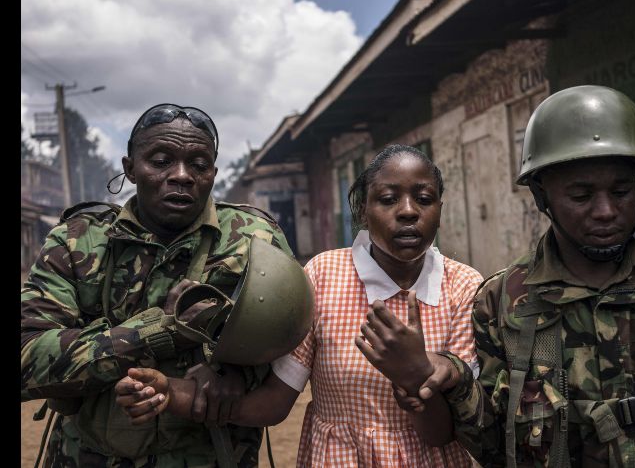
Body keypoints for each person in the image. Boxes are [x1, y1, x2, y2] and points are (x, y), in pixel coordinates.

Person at [367, 86, 635, 467]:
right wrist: (453, 379)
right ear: (541, 196)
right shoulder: (504, 302)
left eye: (621, 191)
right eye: (581, 196)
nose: (605, 210)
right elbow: (494, 446)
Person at [116, 144, 484, 467]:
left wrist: (414, 374)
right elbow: (274, 404)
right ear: (362, 209)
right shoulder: (323, 276)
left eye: (424, 198)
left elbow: (441, 435)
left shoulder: (464, 286)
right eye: (388, 199)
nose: (407, 211)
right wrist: (171, 393)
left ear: (440, 206)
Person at [21, 103, 297, 467]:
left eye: (199, 165)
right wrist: (158, 329)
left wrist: (240, 372)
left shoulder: (255, 241)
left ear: (213, 172)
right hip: (86, 456)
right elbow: (29, 360)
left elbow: (291, 341)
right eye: (161, 160)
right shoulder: (77, 241)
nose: (182, 175)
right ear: (130, 169)